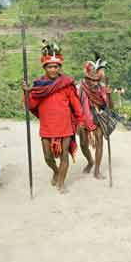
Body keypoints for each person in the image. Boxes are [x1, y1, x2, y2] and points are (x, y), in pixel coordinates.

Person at [23, 41, 83, 192]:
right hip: (47, 126)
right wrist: (27, 93)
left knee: (64, 155)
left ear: (59, 67)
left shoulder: (66, 83)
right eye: (50, 66)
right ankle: (56, 171)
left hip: (65, 125)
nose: (53, 69)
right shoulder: (39, 86)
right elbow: (30, 105)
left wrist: (80, 119)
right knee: (48, 156)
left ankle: (61, 183)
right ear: (45, 67)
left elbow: (75, 103)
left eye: (56, 66)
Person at [77, 53, 115, 180]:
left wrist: (109, 95)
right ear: (86, 78)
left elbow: (110, 107)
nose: (94, 82)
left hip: (98, 116)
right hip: (83, 118)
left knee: (99, 141)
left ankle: (97, 171)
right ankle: (90, 161)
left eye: (96, 80)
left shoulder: (102, 88)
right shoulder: (79, 88)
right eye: (91, 80)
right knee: (83, 144)